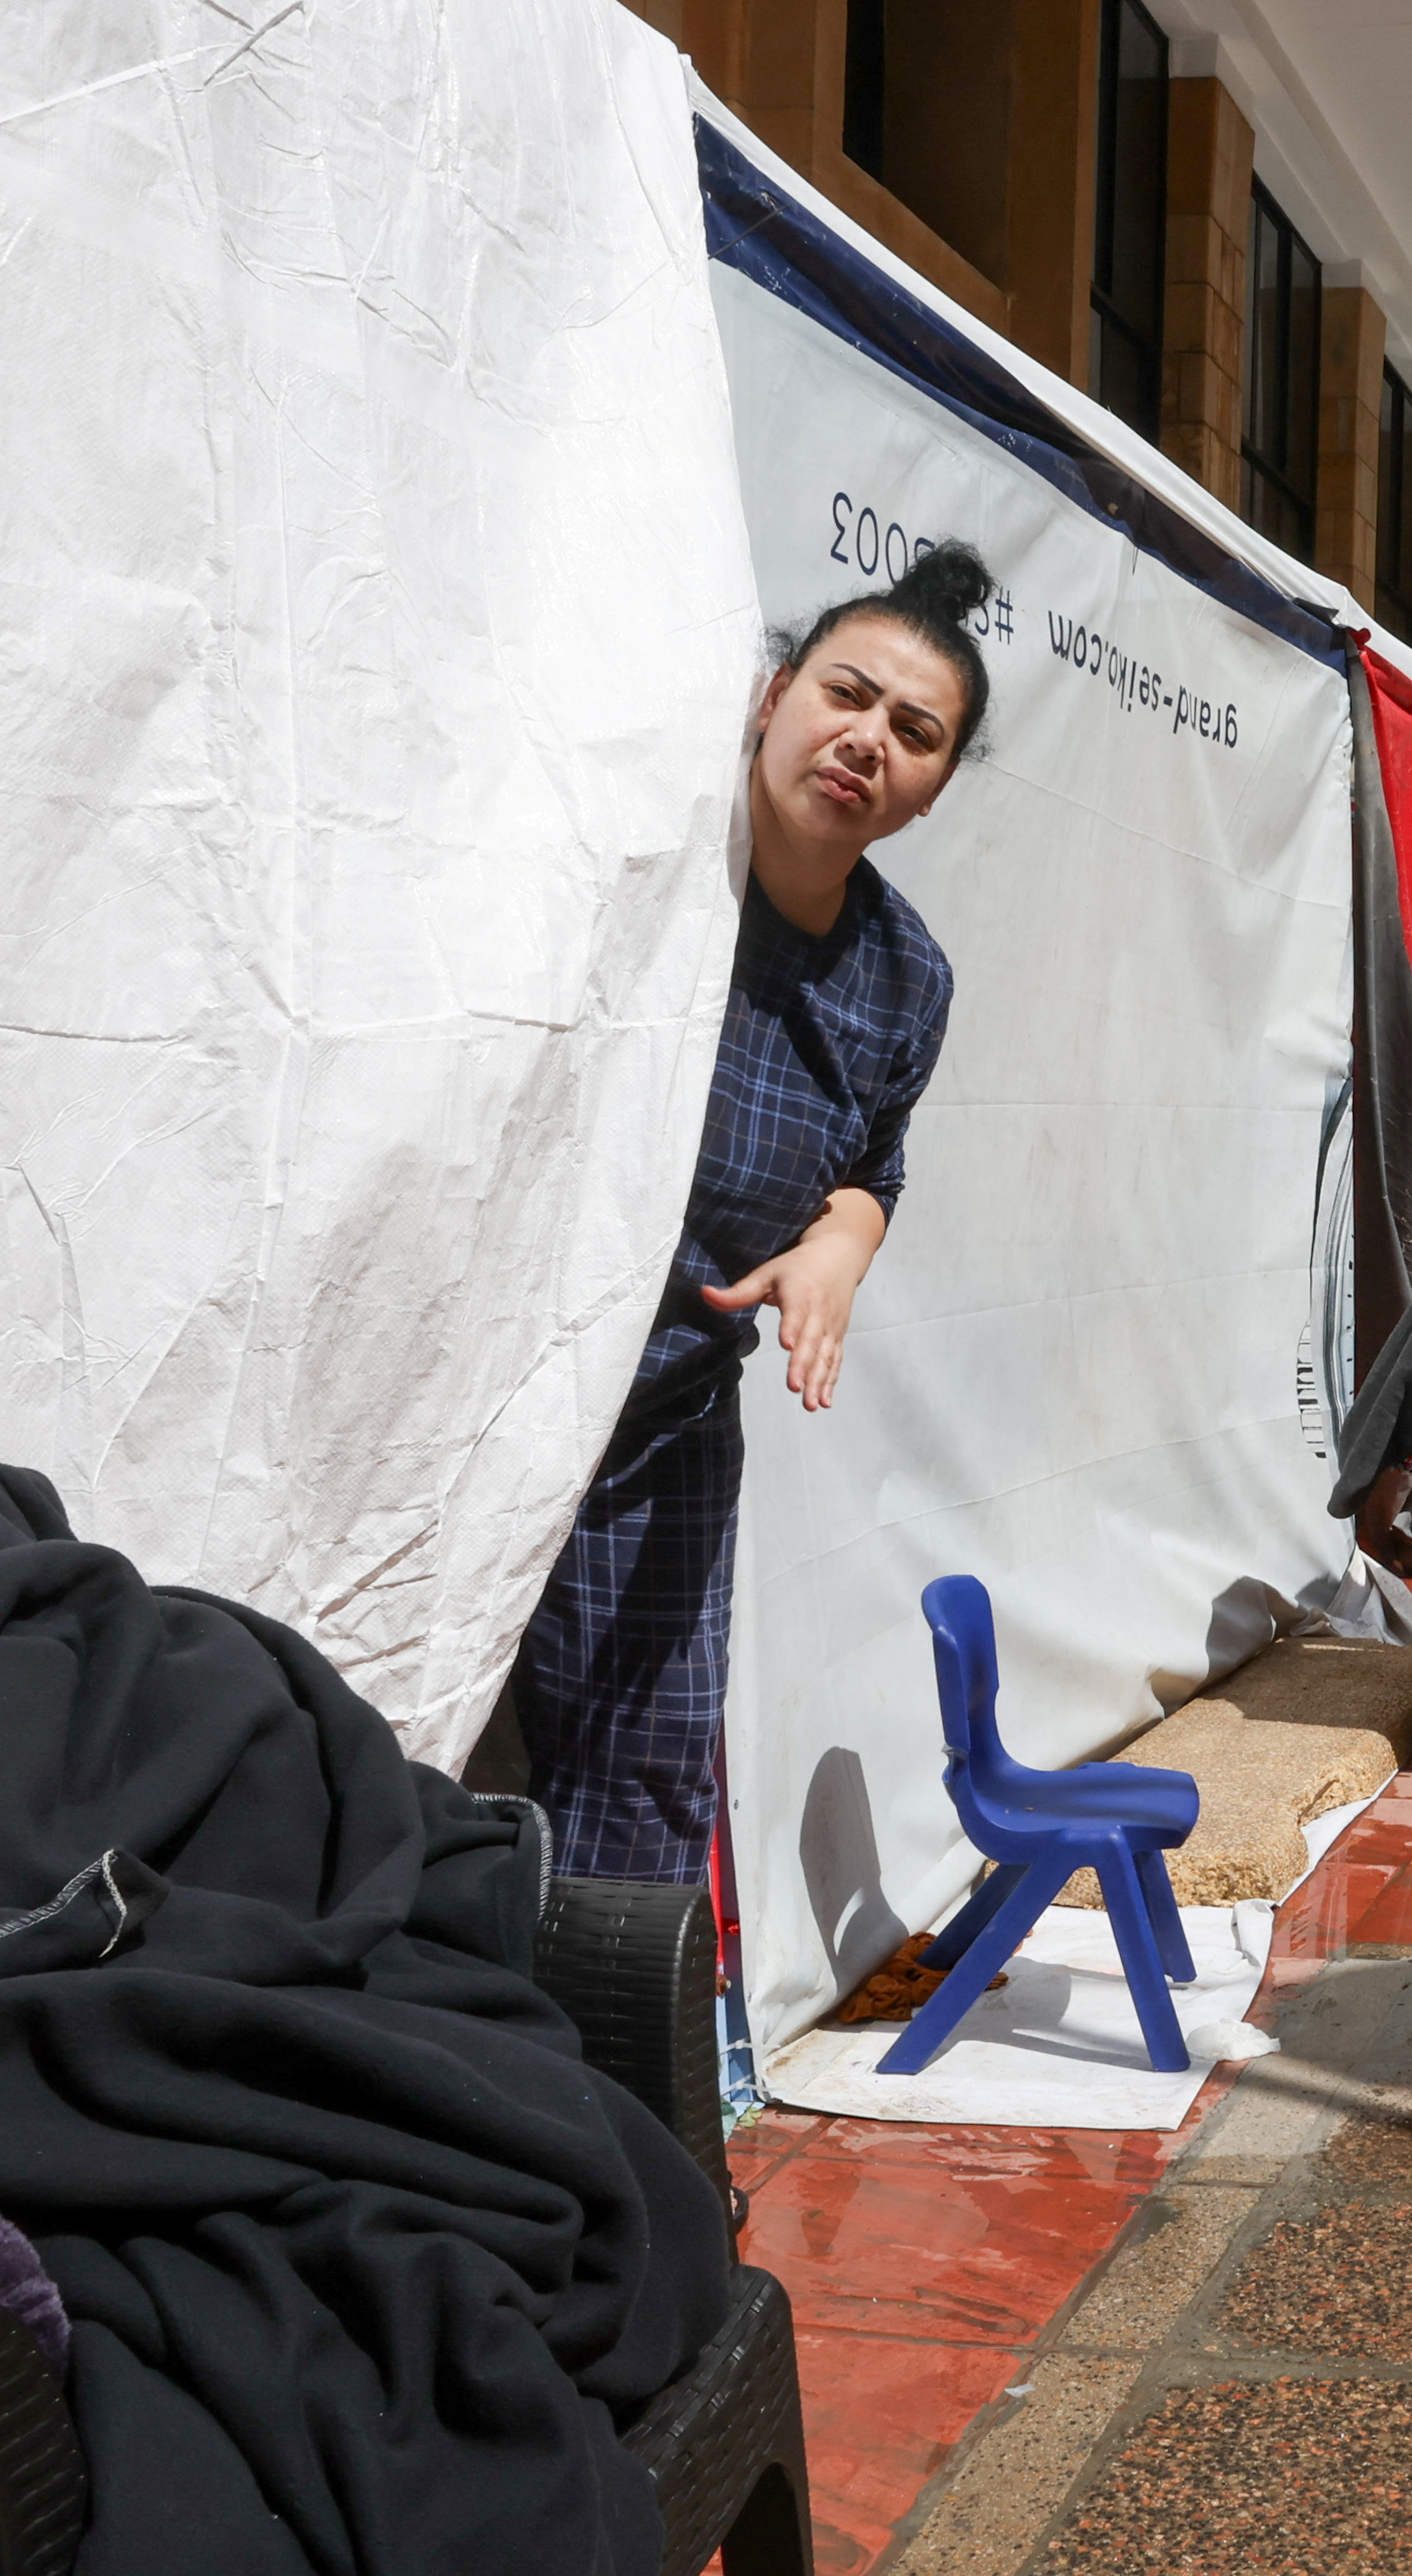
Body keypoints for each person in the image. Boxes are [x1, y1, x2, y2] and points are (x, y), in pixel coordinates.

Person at [513, 544, 985, 1882]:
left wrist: (841, 1241)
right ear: (771, 692)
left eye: (914, 731)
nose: (866, 741)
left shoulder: (904, 978)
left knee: (638, 1798)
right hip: (485, 1394)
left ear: (932, 790)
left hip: (660, 1433)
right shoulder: (637, 859)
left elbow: (872, 1165)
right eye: (846, 693)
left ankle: (586, 2083)